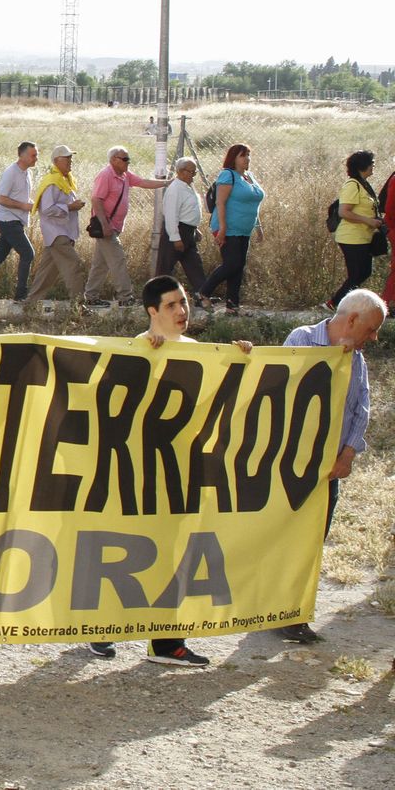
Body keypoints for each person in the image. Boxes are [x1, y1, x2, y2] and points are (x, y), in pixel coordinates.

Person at [98, 274, 257, 665]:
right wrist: (144, 362)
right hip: (135, 473)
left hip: (180, 473)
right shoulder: (132, 350)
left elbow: (217, 406)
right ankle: (100, 628)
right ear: (152, 311)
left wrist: (240, 361)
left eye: (183, 302)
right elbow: (108, 408)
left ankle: (166, 644)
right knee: (123, 550)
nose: (182, 311)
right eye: (171, 305)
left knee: (176, 553)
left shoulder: (200, 353)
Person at [277, 289, 385, 644]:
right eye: (371, 329)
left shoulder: (358, 359)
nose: (374, 337)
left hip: (329, 471)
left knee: (313, 540)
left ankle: (294, 614)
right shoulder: (302, 339)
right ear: (352, 319)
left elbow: (361, 408)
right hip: (291, 466)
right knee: (283, 538)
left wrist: (348, 453)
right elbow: (280, 389)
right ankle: (270, 606)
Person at [83, 145, 172, 307]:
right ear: (113, 160)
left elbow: (143, 182)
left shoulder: (124, 175)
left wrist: (167, 183)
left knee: (100, 264)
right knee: (118, 260)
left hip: (113, 227)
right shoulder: (105, 175)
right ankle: (125, 297)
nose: (128, 162)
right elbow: (96, 199)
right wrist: (105, 224)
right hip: (107, 228)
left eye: (128, 159)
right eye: (125, 159)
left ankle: (91, 297)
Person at [197, 143, 266, 313]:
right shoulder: (228, 175)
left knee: (238, 266)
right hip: (228, 228)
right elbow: (220, 203)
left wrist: (258, 227)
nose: (247, 159)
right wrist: (222, 228)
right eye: (242, 156)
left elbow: (253, 203)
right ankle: (203, 293)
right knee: (231, 264)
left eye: (248, 155)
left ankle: (232, 306)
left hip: (244, 229)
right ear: (233, 158)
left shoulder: (249, 177)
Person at [25, 145, 89, 308]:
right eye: (66, 158)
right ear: (56, 161)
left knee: (47, 272)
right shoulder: (52, 182)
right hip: (57, 233)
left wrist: (71, 206)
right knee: (74, 265)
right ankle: (79, 306)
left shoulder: (64, 180)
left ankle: (31, 305)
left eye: (70, 158)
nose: (70, 161)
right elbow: (47, 209)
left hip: (60, 233)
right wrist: (70, 207)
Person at [0, 141, 38, 301]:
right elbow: (0, 198)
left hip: (15, 220)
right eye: (33, 155)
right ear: (22, 155)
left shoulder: (27, 173)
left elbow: (19, 196)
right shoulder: (11, 172)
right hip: (7, 220)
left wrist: (31, 204)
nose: (36, 158)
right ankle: (21, 295)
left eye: (36, 155)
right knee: (28, 253)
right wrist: (23, 206)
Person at [329, 151, 384, 309]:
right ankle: (335, 303)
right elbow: (344, 212)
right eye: (371, 163)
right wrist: (368, 221)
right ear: (362, 166)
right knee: (356, 274)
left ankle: (343, 303)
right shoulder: (352, 185)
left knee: (365, 272)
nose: (373, 165)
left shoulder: (363, 184)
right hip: (351, 237)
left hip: (363, 236)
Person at [157, 156, 207, 296]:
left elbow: (187, 210)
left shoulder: (187, 187)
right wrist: (175, 237)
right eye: (190, 172)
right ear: (180, 171)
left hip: (188, 232)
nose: (193, 175)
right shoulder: (175, 189)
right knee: (166, 267)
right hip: (177, 231)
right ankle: (158, 296)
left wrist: (194, 228)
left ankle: (202, 295)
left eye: (194, 172)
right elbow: (171, 215)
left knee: (194, 264)